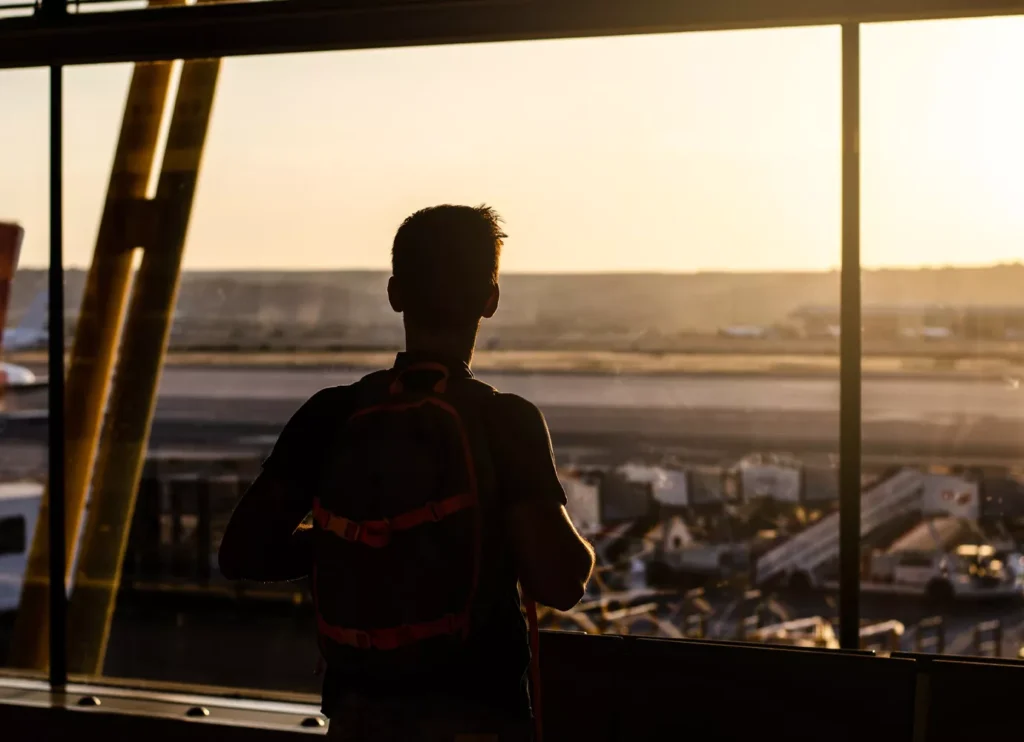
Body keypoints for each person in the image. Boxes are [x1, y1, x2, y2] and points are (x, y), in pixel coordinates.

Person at [218, 204, 595, 741]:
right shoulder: (505, 421)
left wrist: (357, 539)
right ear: (490, 299)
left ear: (395, 293)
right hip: (479, 714)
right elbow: (561, 581)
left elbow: (242, 552)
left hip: (359, 717)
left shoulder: (330, 412)